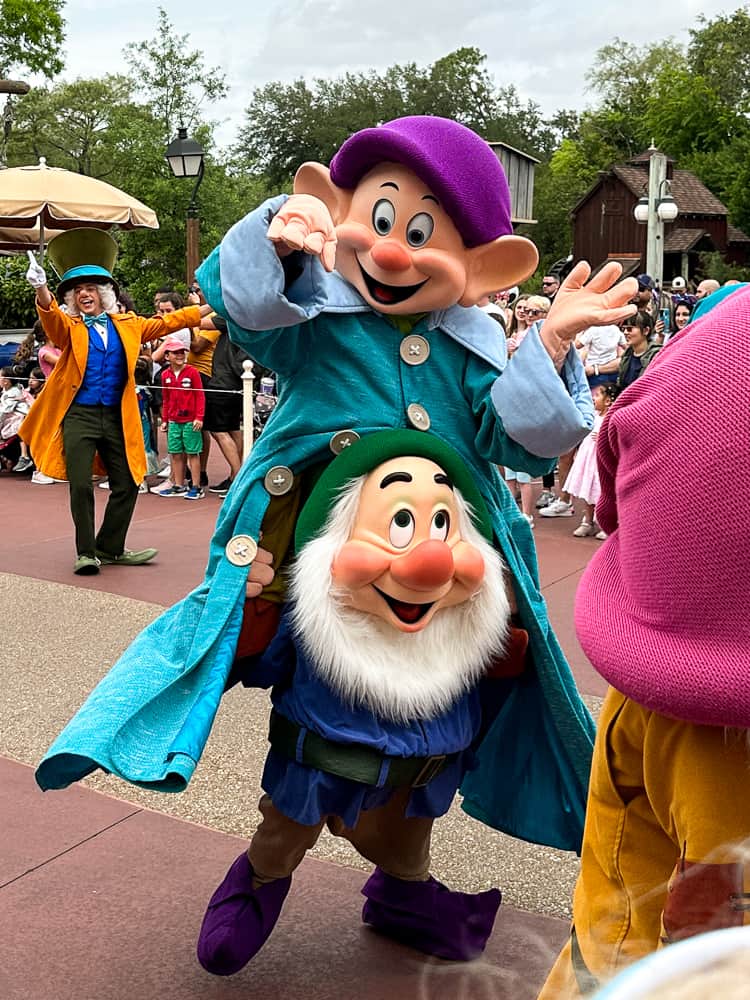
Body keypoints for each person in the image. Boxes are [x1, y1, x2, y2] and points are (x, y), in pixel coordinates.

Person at [37, 117, 636, 973]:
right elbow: (249, 308)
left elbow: (524, 444)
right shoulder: (317, 322)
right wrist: (282, 233)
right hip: (329, 583)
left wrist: (545, 344)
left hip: (441, 594)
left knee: (437, 738)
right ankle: (268, 865)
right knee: (322, 734)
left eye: (422, 234)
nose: (392, 253)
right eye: (380, 220)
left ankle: (406, 881)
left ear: (481, 268)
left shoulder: (472, 353)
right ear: (338, 210)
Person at [538, 285, 750, 999]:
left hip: (658, 667)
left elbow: (625, 449)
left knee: (629, 913)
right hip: (719, 725)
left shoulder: (723, 330)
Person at [20, 229, 211, 574]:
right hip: (79, 415)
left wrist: (214, 303)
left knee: (127, 482)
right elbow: (50, 318)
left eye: (90, 288)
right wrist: (40, 288)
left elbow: (168, 322)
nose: (84, 294)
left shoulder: (128, 324)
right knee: (80, 484)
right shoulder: (70, 327)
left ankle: (110, 547)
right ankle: (85, 552)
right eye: (78, 291)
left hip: (117, 416)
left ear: (104, 294)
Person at [562, 383, 617, 539]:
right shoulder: (592, 415)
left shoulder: (611, 418)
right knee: (587, 489)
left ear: (608, 401)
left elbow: (615, 438)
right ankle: (588, 521)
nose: (594, 398)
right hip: (588, 460)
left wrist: (603, 438)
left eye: (598, 395)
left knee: (601, 491)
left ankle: (603, 523)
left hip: (600, 461)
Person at [157, 339, 206, 500]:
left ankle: (196, 486)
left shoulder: (193, 372)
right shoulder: (165, 375)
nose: (180, 355)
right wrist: (164, 419)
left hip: (190, 420)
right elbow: (166, 398)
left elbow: (200, 395)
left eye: (182, 352)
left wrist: (199, 417)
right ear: (167, 356)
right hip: (173, 420)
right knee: (175, 453)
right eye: (175, 353)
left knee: (193, 452)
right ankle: (178, 485)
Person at [617, 310, 660, 391]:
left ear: (646, 330)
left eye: (630, 329)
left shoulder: (656, 355)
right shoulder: (627, 355)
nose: (625, 332)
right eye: (623, 329)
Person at [577, 323, 625, 389]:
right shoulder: (616, 329)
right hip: (612, 371)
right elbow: (626, 346)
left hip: (594, 373)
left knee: (595, 395)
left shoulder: (593, 330)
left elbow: (577, 345)